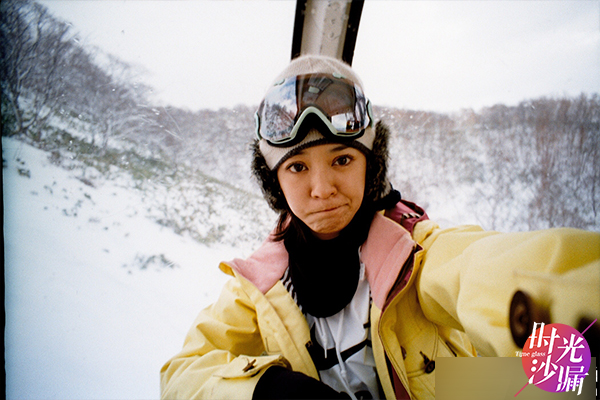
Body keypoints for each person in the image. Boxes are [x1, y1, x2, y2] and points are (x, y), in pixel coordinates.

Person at [160, 55, 600, 400]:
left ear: (370, 166)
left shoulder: (412, 251)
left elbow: (478, 270)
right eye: (296, 166)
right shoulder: (258, 288)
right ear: (274, 182)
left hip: (444, 389)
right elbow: (181, 376)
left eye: (342, 159)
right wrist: (266, 390)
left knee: (567, 384)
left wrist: (570, 304)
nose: (321, 189)